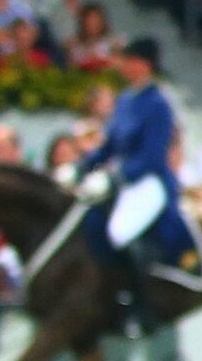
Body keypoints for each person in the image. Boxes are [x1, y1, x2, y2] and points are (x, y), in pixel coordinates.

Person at [70, 37, 181, 337]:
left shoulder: (158, 103)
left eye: (130, 60)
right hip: (124, 178)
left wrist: (115, 177)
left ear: (144, 64)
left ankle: (143, 306)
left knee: (121, 230)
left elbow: (153, 155)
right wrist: (80, 167)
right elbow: (109, 146)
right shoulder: (125, 99)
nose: (124, 65)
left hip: (148, 180)